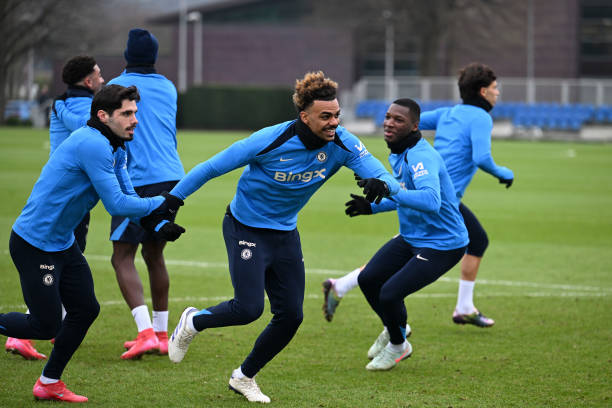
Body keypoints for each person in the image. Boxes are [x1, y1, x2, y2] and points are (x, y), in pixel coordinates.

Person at [166, 71, 400, 403]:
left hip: (285, 233)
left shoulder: (344, 143)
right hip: (245, 228)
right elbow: (211, 167)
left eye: (336, 115)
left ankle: (244, 376)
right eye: (325, 116)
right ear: (304, 117)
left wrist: (381, 183)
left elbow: (381, 174)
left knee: (291, 316)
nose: (334, 122)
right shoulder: (270, 139)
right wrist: (172, 201)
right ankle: (194, 321)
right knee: (248, 309)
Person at [0, 84, 185, 403]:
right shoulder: (93, 144)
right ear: (103, 116)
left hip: (62, 244)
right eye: (126, 113)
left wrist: (158, 225)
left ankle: (49, 382)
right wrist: (162, 201)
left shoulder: (117, 147)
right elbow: (116, 204)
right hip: (35, 244)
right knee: (45, 326)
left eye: (135, 112)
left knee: (85, 309)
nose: (135, 120)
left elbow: (128, 198)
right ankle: (47, 380)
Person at [322, 63, 514, 328]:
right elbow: (481, 157)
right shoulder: (481, 117)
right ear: (483, 91)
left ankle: (462, 306)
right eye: (494, 88)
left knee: (463, 241)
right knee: (424, 243)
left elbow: (413, 119)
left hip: (425, 184)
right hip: (439, 194)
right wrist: (505, 173)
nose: (497, 92)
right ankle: (346, 287)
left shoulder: (448, 114)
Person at [342, 98, 468, 370]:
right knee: (368, 279)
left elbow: (431, 200)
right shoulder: (399, 152)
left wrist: (390, 190)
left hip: (443, 243)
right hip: (412, 236)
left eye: (398, 120)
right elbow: (404, 194)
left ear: (414, 126)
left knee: (390, 294)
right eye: (388, 116)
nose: (389, 123)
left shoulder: (420, 156)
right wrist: (372, 207)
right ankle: (396, 328)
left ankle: (399, 346)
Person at [4, 55, 105, 361]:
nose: (103, 80)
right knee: (61, 269)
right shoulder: (80, 107)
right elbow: (88, 126)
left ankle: (43, 330)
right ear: (87, 80)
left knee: (64, 272)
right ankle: (26, 334)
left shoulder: (67, 103)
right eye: (99, 75)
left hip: (64, 194)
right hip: (66, 199)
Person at [106, 28, 185, 360]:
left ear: (127, 55)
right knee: (154, 254)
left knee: (122, 256)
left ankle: (145, 334)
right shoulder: (168, 86)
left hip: (136, 180)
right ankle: (162, 334)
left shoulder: (115, 88)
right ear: (154, 56)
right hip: (173, 179)